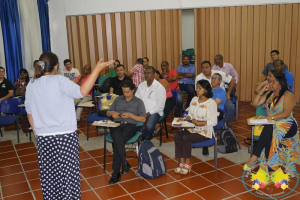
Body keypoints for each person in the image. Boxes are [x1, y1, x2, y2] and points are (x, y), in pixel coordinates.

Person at [25, 52, 114, 199]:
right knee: (68, 175)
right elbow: (82, 91)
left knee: (50, 176)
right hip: (65, 136)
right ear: (56, 66)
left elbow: (29, 112)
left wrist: (37, 132)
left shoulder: (32, 84)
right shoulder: (60, 80)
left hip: (43, 138)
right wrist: (97, 70)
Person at [245, 74, 299, 175]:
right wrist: (262, 91)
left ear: (281, 84)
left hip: (288, 125)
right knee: (269, 135)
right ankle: (271, 169)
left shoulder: (288, 95)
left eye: (274, 82)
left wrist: (270, 118)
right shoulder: (270, 94)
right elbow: (254, 103)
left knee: (269, 126)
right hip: (273, 125)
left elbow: (286, 113)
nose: (271, 84)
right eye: (270, 82)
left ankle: (255, 156)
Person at [106, 80, 146, 184]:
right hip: (116, 125)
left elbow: (143, 119)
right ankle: (124, 163)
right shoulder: (118, 99)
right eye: (123, 92)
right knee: (117, 137)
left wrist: (130, 115)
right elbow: (107, 113)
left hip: (130, 126)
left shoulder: (139, 102)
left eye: (127, 92)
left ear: (133, 90)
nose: (125, 94)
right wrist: (112, 112)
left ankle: (116, 172)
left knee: (116, 141)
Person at [174, 80, 218, 174]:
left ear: (206, 90)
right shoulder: (194, 99)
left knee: (186, 138)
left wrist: (199, 123)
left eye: (200, 88)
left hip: (205, 131)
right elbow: (190, 114)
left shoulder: (211, 103)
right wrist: (185, 118)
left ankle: (188, 163)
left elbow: (213, 121)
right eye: (196, 87)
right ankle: (182, 162)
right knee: (177, 136)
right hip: (193, 128)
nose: (197, 90)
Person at [196, 61, 236, 126]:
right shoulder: (200, 79)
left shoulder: (219, 75)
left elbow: (233, 80)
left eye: (207, 67)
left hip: (218, 104)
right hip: (207, 107)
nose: (205, 69)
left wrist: (228, 94)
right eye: (212, 78)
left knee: (230, 108)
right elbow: (200, 95)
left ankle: (225, 126)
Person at [135, 66, 166, 140]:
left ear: (154, 74)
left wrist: (148, 113)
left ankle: (147, 135)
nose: (146, 75)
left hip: (155, 112)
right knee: (130, 122)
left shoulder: (159, 87)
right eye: (145, 73)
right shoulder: (141, 85)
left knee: (149, 126)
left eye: (149, 73)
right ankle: (147, 135)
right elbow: (136, 99)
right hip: (141, 111)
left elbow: (160, 106)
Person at [153, 69, 176, 133]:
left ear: (158, 75)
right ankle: (153, 124)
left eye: (154, 75)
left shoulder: (164, 81)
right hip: (158, 100)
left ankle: (158, 124)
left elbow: (160, 91)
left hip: (168, 100)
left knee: (163, 109)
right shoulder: (152, 83)